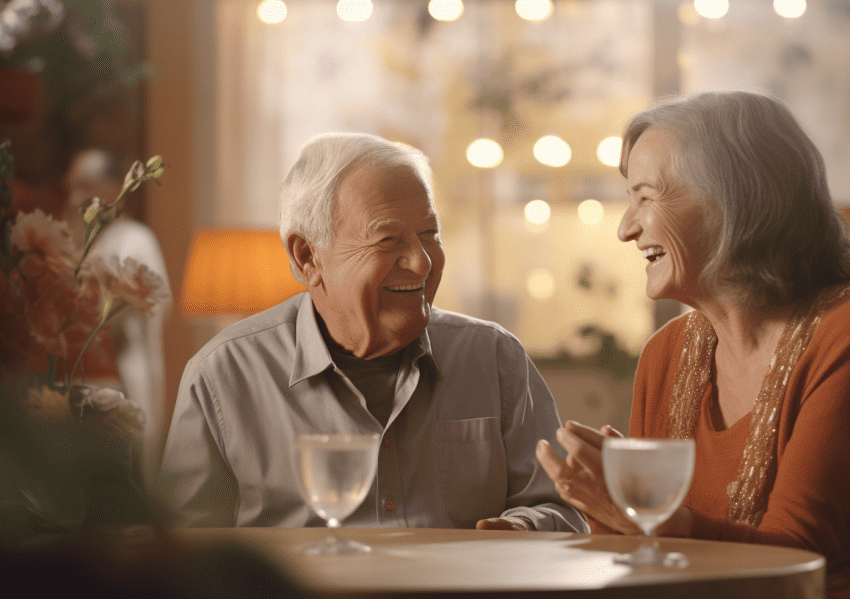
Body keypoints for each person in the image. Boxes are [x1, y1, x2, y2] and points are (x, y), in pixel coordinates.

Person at [535, 91, 850, 597]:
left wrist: (642, 516)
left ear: (731, 201)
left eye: (645, 196)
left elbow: (792, 556)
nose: (626, 228)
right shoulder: (666, 353)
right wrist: (570, 523)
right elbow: (649, 555)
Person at [160, 133, 587, 533]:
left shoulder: (494, 356)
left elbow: (562, 509)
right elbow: (184, 555)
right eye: (387, 240)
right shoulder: (223, 376)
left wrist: (521, 528)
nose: (421, 262)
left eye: (429, 234)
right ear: (307, 256)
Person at [64, 148, 172, 475]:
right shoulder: (85, 241)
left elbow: (152, 305)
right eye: (71, 187)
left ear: (112, 188)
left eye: (84, 186)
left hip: (122, 383)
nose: (74, 197)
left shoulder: (134, 240)